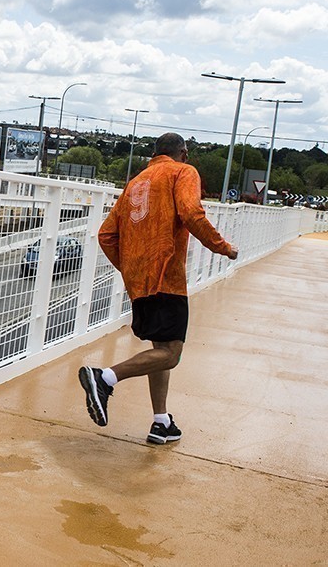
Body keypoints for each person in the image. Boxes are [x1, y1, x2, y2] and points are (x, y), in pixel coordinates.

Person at [79, 132, 238, 444]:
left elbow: (106, 234)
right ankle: (105, 378)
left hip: (141, 283)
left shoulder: (137, 181)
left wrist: (131, 268)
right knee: (171, 355)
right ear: (183, 152)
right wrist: (223, 248)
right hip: (167, 278)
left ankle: (161, 421)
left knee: (160, 350)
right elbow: (191, 213)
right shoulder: (182, 172)